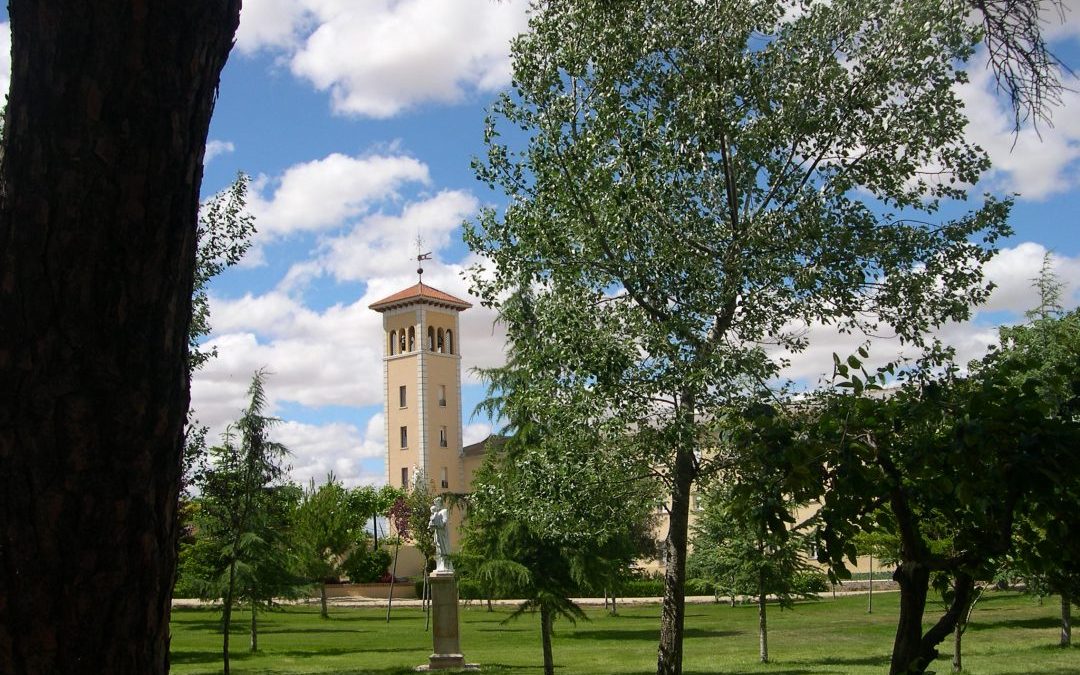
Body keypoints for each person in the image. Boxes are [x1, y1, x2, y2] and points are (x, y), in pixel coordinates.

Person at [429, 496, 453, 573]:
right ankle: (439, 565)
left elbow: (445, 521)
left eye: (437, 503)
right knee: (438, 549)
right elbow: (432, 523)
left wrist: (438, 525)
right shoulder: (436, 513)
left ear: (440, 503)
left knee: (444, 548)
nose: (436, 505)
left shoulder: (444, 511)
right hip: (437, 533)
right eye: (435, 503)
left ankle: (445, 565)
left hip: (442, 533)